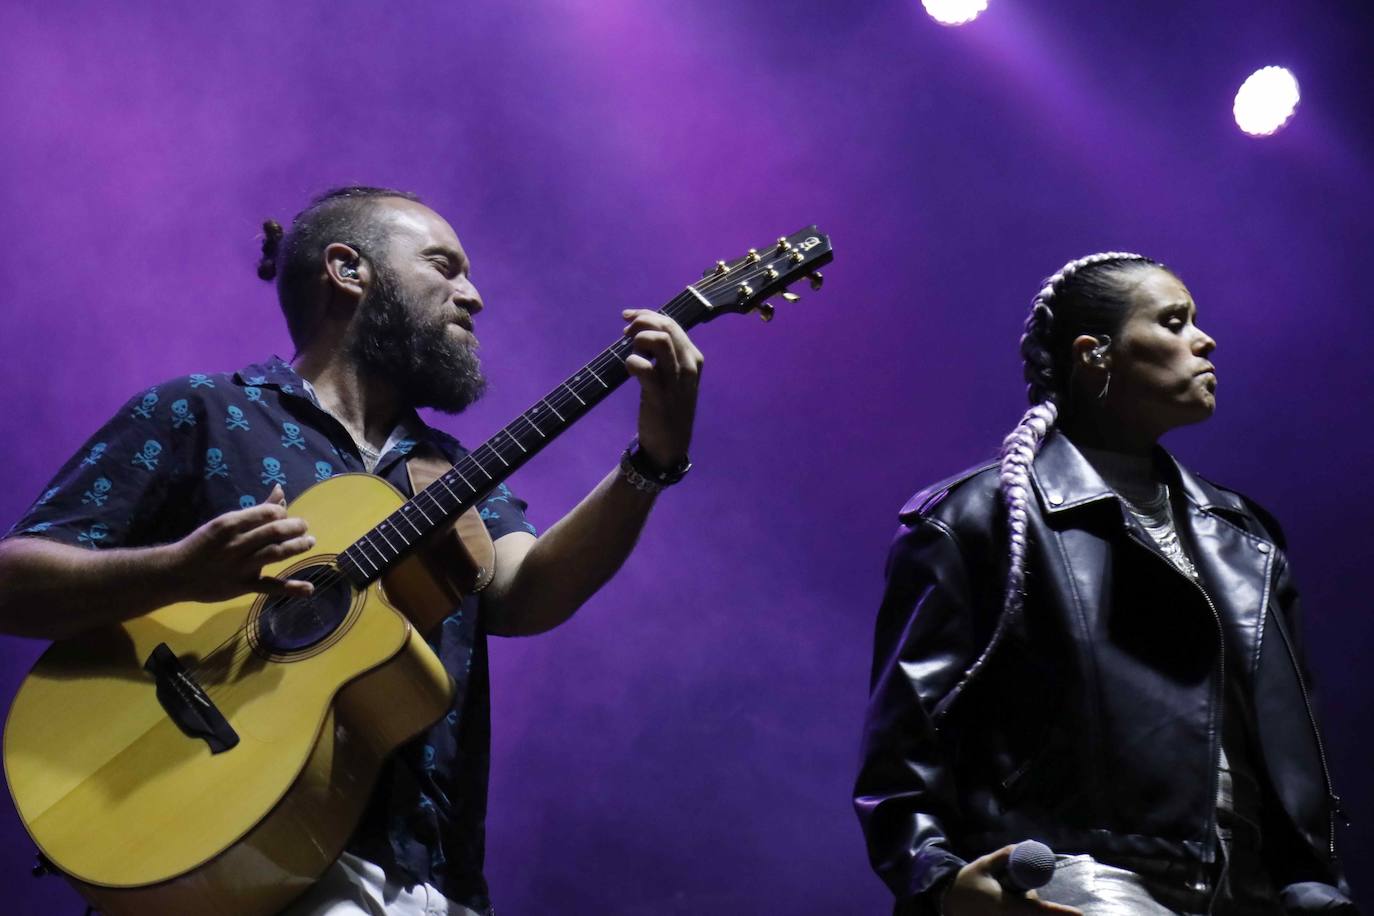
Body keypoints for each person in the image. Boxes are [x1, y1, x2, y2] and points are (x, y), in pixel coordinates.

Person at [0, 186, 704, 915]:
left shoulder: (449, 472)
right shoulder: (203, 411)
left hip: (429, 874)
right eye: (445, 266)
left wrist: (650, 461)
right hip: (226, 842)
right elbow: (14, 580)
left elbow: (526, 594)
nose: (475, 296)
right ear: (348, 268)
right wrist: (177, 570)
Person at [854, 253, 1357, 915]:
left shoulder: (1247, 535)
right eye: (1173, 322)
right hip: (1077, 883)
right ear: (1095, 355)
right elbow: (903, 748)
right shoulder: (973, 520)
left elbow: (1291, 747)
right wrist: (941, 882)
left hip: (1251, 890)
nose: (1204, 341)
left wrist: (1313, 877)